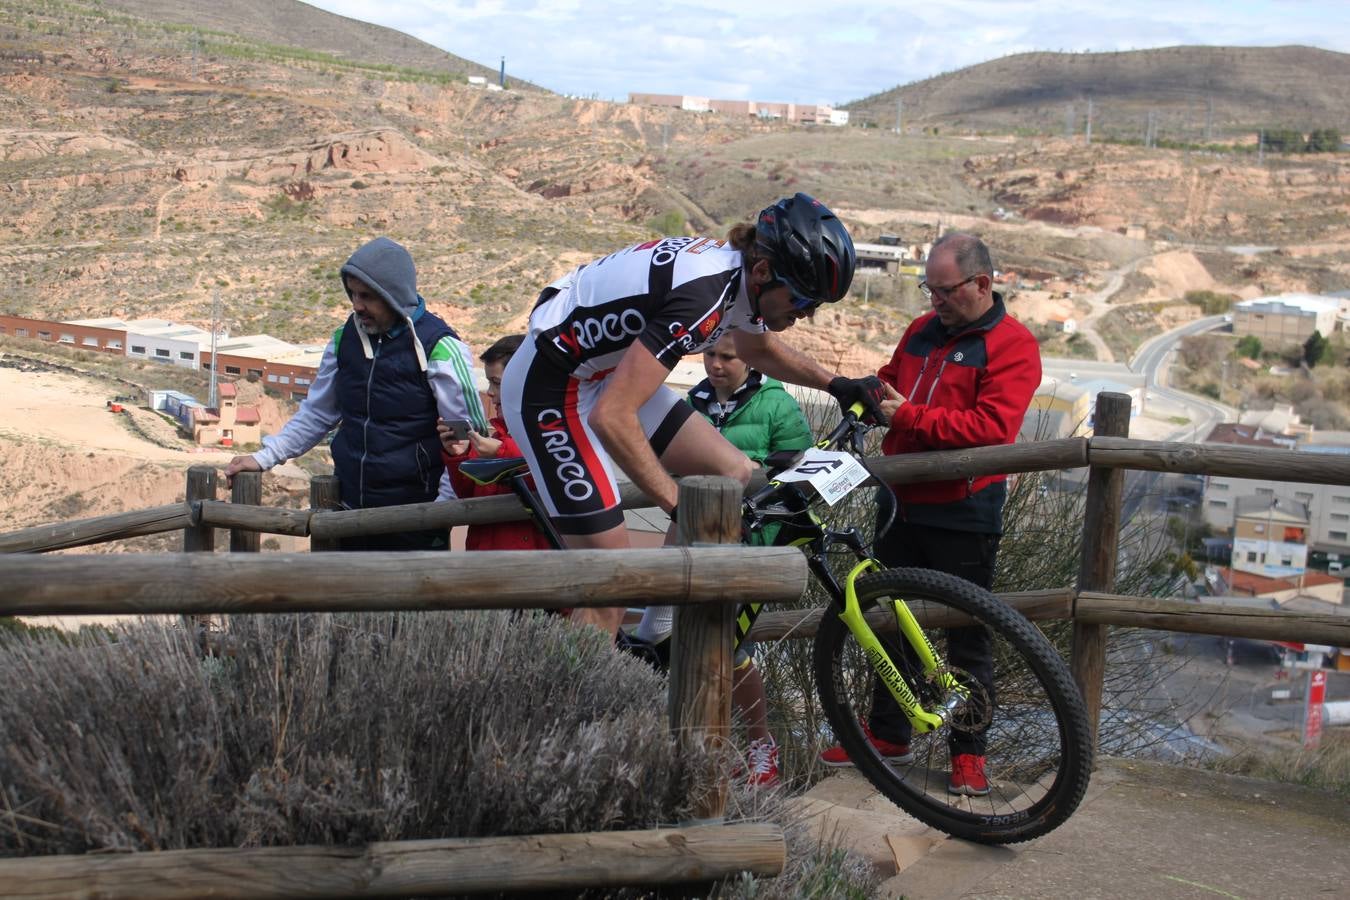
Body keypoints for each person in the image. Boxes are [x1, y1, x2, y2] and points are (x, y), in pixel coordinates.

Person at [500, 192, 886, 637]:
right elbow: (612, 417)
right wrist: (678, 503)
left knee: (731, 469)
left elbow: (756, 348)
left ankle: (656, 631)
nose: (807, 314)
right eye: (801, 299)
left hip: (599, 373)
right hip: (550, 390)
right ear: (763, 271)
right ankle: (574, 705)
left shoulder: (739, 280)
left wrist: (835, 384)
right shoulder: (702, 298)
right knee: (609, 588)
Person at [817, 231, 1042, 798]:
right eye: (929, 289)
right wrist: (869, 393)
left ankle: (969, 753)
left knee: (967, 632)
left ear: (982, 284)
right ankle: (888, 734)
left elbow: (992, 430)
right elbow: (893, 385)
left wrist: (908, 418)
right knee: (885, 619)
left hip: (964, 509)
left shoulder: (1014, 345)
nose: (933, 301)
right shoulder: (921, 330)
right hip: (900, 500)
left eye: (943, 291)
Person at [224, 236, 487, 550]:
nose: (357, 306)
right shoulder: (343, 339)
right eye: (353, 294)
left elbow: (467, 438)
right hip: (348, 508)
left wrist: (439, 511)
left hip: (416, 515)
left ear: (394, 295)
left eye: (367, 296)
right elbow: (317, 413)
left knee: (405, 600)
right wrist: (264, 457)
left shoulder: (440, 348)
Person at [636, 335, 815, 786]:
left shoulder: (778, 404)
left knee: (731, 648)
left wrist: (741, 477)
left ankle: (760, 746)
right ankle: (686, 746)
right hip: (688, 533)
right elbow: (670, 462)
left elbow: (798, 472)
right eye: (709, 355)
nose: (715, 365)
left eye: (727, 357)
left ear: (749, 359)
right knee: (652, 636)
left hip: (750, 542)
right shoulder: (692, 399)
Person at [439, 334, 552, 551]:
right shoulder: (499, 437)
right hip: (485, 565)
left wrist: (501, 454)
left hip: (527, 568)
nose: (489, 392)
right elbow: (469, 495)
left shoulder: (553, 433)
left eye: (496, 383)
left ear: (524, 381)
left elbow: (545, 469)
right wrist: (459, 456)